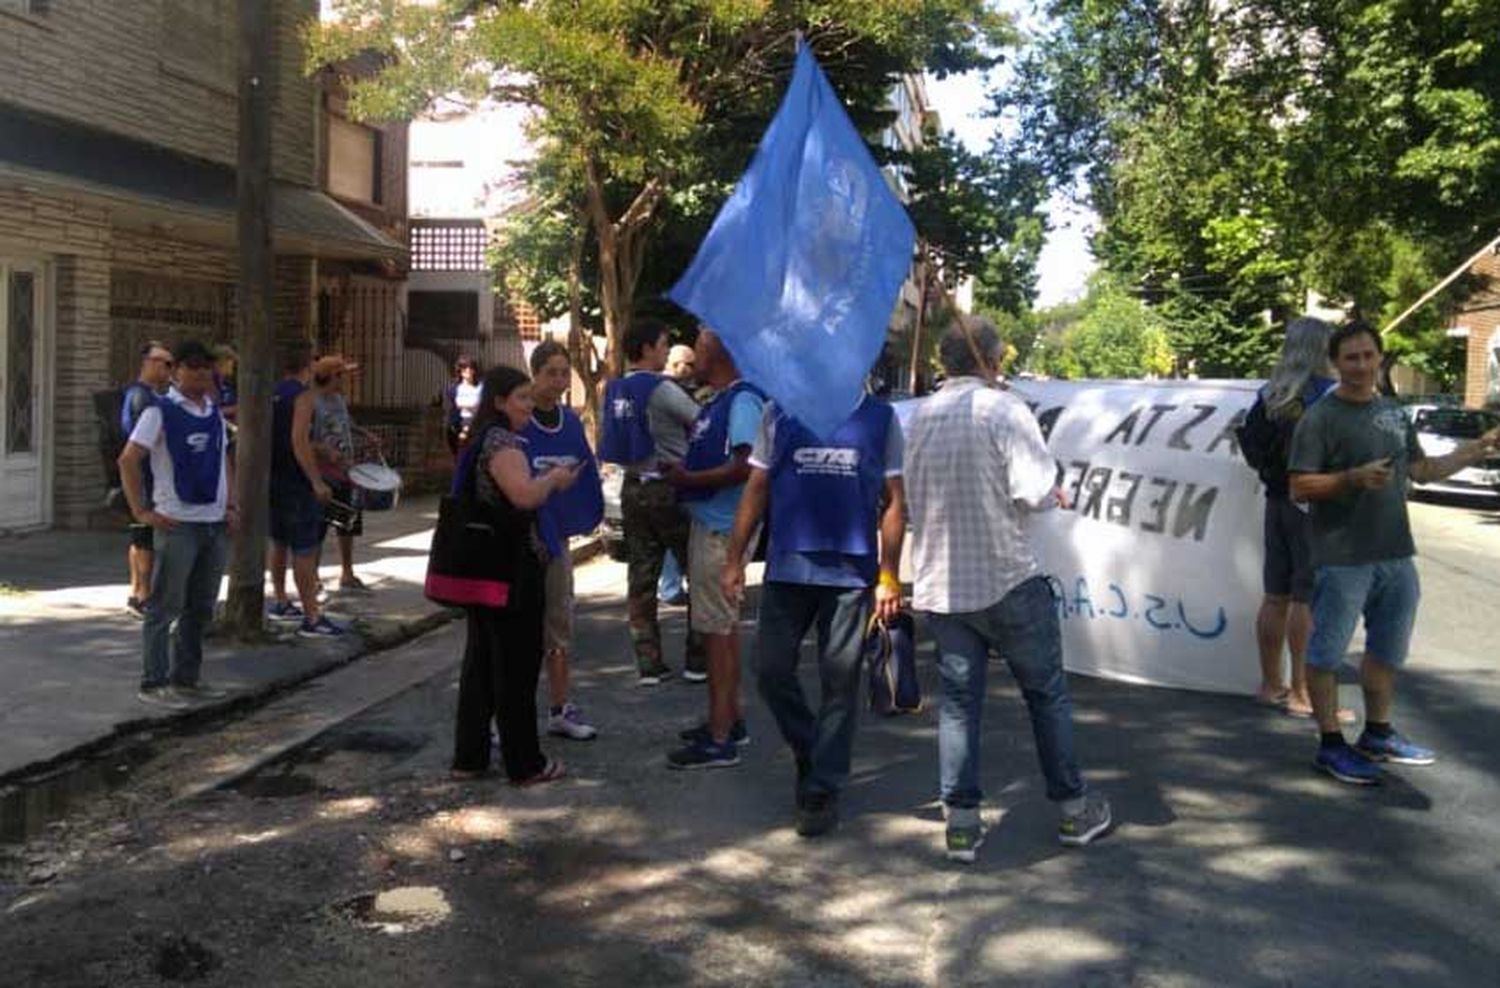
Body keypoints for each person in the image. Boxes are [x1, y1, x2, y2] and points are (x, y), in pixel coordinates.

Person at [904, 317, 1112, 861]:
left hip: (943, 586)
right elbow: (1034, 490)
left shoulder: (921, 415)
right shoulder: (1005, 409)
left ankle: (962, 826)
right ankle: (1072, 811)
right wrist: (1054, 492)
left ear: (946, 364)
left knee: (957, 706)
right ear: (992, 360)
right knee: (1046, 696)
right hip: (1006, 579)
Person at [1288, 321, 1500, 785]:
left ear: (1380, 359)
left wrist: (1474, 450)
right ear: (1335, 362)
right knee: (1325, 655)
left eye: (1368, 356)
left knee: (1387, 650)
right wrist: (1350, 479)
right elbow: (1299, 485)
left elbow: (1422, 469)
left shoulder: (1393, 413)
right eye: (1351, 358)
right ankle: (1329, 745)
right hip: (1341, 558)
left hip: (1396, 556)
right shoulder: (1320, 419)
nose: (1361, 366)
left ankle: (1378, 734)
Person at [723, 391, 905, 837]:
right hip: (788, 568)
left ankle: (821, 788)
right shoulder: (780, 410)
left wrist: (889, 575)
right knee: (769, 670)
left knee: (840, 681)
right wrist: (734, 559)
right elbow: (757, 487)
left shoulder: (881, 419)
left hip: (851, 574)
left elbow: (894, 501)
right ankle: (813, 751)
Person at [450, 364, 580, 784]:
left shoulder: (479, 439)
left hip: (482, 565)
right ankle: (525, 762)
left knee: (482, 664)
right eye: (521, 398)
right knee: (515, 667)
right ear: (500, 401)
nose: (528, 406)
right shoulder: (503, 442)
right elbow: (522, 496)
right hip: (509, 567)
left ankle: (469, 757)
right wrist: (554, 480)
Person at [663, 329, 765, 769]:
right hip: (714, 526)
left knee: (718, 635)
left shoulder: (742, 401)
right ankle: (728, 720)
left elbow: (747, 467)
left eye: (700, 346)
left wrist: (689, 481)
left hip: (723, 531)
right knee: (721, 630)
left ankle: (720, 738)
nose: (693, 353)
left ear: (720, 351)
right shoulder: (723, 398)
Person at [117, 340, 235, 710]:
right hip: (177, 523)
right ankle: (154, 683)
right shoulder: (159, 411)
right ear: (176, 371)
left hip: (214, 524)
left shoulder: (213, 411)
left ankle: (188, 679)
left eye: (206, 367)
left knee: (200, 608)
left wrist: (230, 504)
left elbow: (222, 459)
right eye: (191, 366)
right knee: (164, 606)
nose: (200, 373)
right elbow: (129, 460)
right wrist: (141, 510)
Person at [1237, 317, 1343, 719]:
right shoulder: (1326, 395)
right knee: (1307, 598)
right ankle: (1302, 693)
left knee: (1276, 596)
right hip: (1312, 505)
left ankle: (1271, 684)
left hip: (1276, 501)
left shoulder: (1270, 394)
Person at [598, 317, 706, 685]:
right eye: (662, 344)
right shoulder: (663, 390)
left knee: (641, 577)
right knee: (696, 571)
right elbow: (699, 422)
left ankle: (649, 663)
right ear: (646, 349)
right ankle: (697, 659)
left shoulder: (613, 390)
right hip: (670, 486)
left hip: (632, 487)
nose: (664, 351)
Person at [522, 340, 605, 741]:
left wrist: (587, 514)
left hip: (556, 540)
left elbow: (586, 469)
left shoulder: (569, 423)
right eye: (550, 372)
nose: (557, 381)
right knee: (517, 629)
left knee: (558, 625)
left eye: (562, 373)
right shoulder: (517, 420)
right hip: (519, 540)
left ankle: (559, 708)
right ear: (534, 373)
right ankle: (509, 711)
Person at [267, 342, 342, 638]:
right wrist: (316, 480)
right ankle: (312, 616)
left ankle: (281, 601)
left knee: (279, 542)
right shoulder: (303, 396)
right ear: (308, 366)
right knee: (304, 549)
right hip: (296, 481)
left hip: (273, 477)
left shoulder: (273, 393)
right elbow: (298, 440)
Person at [121, 341, 174, 619]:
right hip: (146, 477)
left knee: (140, 536)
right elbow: (139, 443)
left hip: (149, 477)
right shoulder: (142, 397)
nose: (170, 370)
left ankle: (137, 592)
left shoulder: (151, 395)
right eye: (166, 363)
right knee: (145, 539)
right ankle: (143, 596)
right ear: (151, 363)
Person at [310, 354, 371, 594]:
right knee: (319, 527)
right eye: (340, 375)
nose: (344, 379)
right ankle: (312, 576)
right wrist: (324, 451)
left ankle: (347, 573)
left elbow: (347, 423)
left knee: (348, 524)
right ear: (328, 376)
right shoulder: (312, 403)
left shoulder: (338, 400)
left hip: (346, 470)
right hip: (323, 473)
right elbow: (302, 440)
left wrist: (365, 435)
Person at [657, 342, 699, 607]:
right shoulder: (670, 391)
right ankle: (672, 587)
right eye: (684, 364)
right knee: (678, 537)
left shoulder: (661, 389)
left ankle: (669, 586)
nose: (688, 370)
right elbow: (698, 420)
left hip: (665, 472)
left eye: (691, 364)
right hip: (674, 472)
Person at [445, 356, 482, 456]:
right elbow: (456, 404)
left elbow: (480, 404)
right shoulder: (454, 388)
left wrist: (467, 405)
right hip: (457, 425)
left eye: (471, 368)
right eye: (465, 368)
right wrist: (471, 405)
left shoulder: (480, 388)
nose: (468, 370)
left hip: (475, 424)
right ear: (460, 371)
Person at [212, 343, 239, 424]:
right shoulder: (210, 382)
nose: (233, 364)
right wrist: (235, 409)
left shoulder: (228, 384)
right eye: (229, 360)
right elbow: (210, 411)